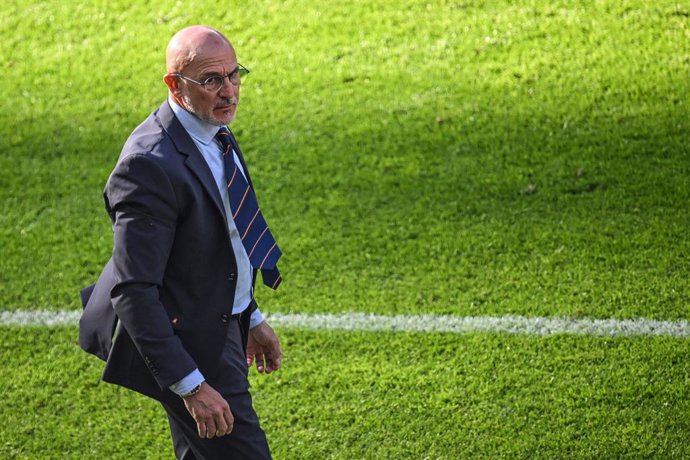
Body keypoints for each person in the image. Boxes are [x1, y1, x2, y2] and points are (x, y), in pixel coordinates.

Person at [78, 25, 283, 459]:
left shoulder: (210, 127)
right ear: (174, 84)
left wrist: (249, 313)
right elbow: (133, 290)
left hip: (216, 314)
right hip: (190, 338)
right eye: (212, 80)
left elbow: (222, 237)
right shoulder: (148, 167)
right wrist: (190, 386)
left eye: (234, 74)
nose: (229, 91)